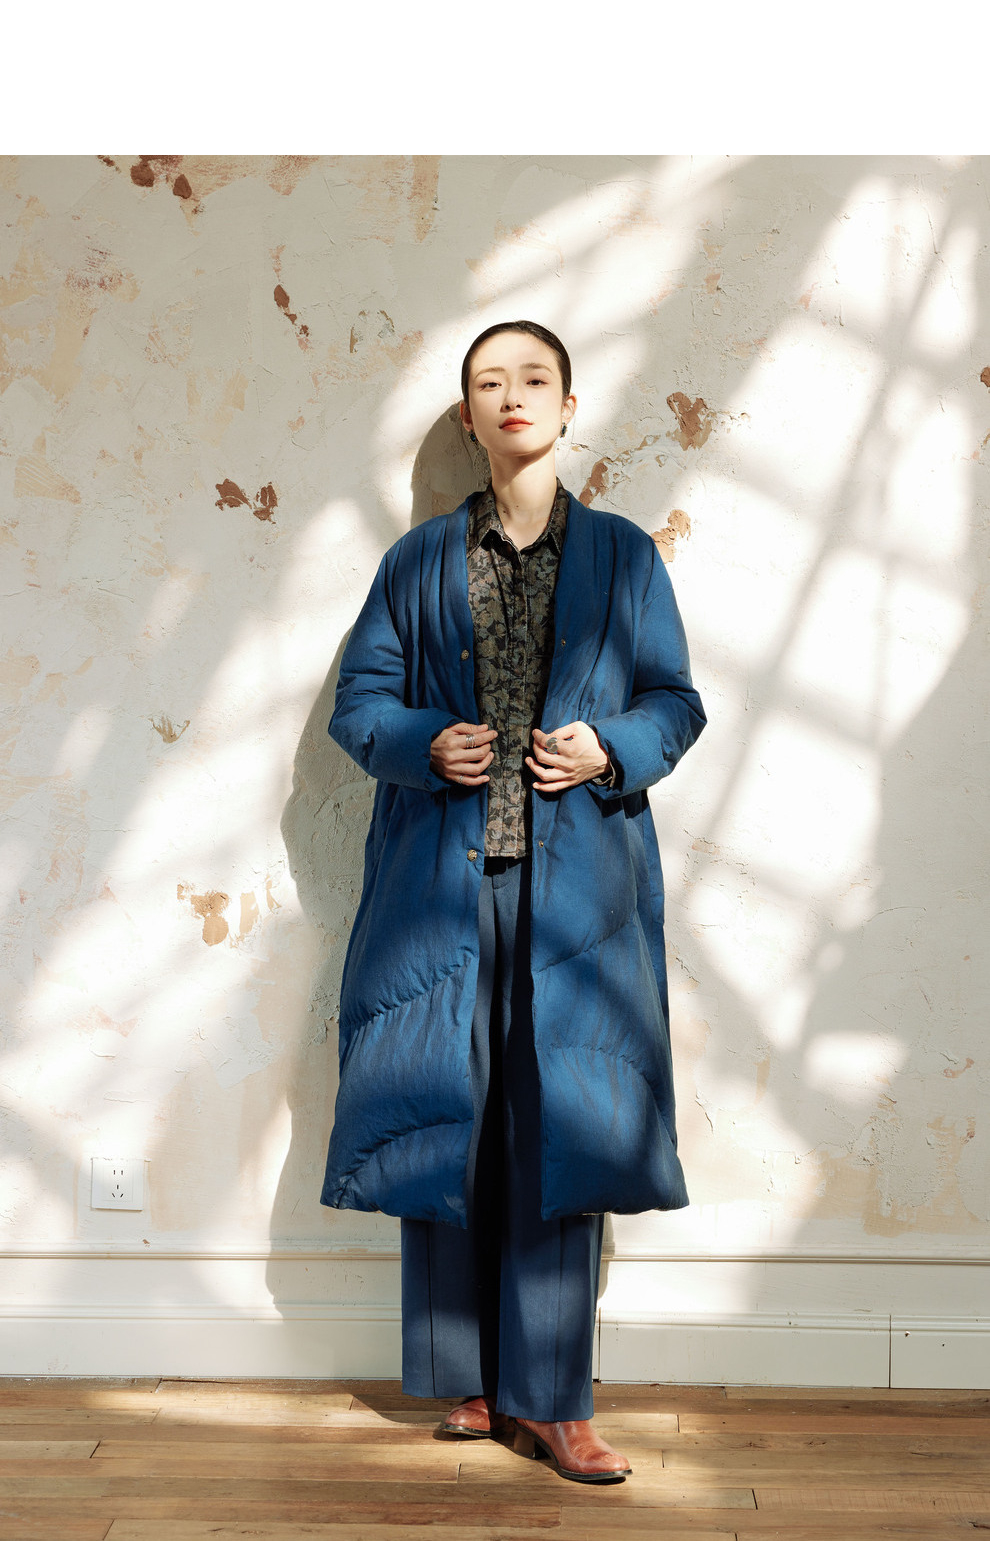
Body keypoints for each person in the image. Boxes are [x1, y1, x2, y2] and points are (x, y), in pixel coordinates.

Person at [320, 320, 706, 1483]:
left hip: (577, 891)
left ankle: (558, 1402)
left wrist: (610, 746)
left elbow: (676, 700)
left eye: (533, 378)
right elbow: (359, 702)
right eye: (490, 382)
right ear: (469, 414)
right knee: (449, 1118)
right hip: (442, 886)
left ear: (569, 404)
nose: (512, 396)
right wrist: (421, 742)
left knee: (565, 1133)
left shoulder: (624, 557)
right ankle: (473, 1381)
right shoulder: (416, 561)